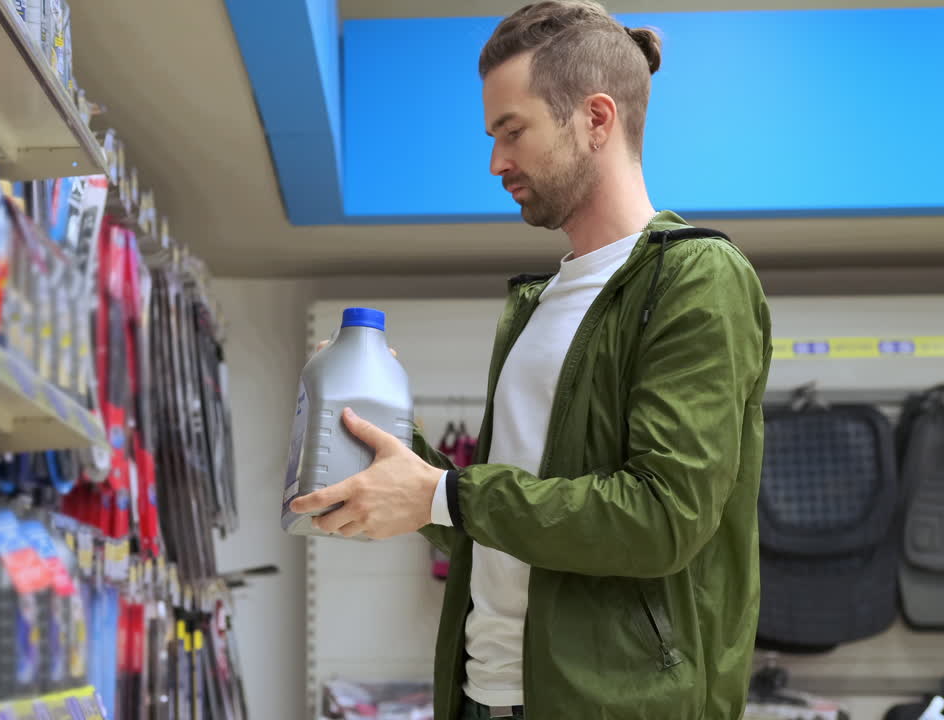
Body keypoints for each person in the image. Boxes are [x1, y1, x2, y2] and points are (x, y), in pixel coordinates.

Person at [290, 2, 772, 718]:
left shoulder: (696, 275)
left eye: (513, 132)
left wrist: (440, 493)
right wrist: (393, 449)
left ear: (596, 119)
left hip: (616, 703)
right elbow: (504, 517)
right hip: (487, 694)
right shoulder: (538, 304)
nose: (496, 163)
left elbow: (663, 516)